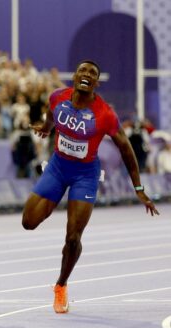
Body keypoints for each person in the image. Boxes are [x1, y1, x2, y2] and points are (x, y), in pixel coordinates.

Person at [23, 60, 159, 314]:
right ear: (75, 76)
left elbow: (126, 149)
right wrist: (46, 128)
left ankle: (61, 285)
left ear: (96, 83)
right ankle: (53, 199)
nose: (86, 75)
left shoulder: (104, 114)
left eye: (92, 73)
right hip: (57, 167)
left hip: (85, 175)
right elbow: (51, 115)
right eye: (83, 71)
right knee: (28, 222)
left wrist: (138, 187)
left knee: (73, 237)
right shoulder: (57, 97)